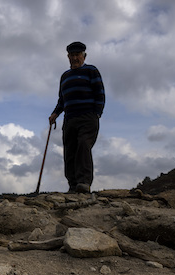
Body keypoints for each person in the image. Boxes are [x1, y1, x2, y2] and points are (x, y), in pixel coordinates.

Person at [49, 41, 105, 194]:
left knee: (83, 146)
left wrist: (97, 113)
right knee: (70, 151)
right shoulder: (65, 76)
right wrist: (55, 113)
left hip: (88, 117)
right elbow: (62, 100)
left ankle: (84, 183)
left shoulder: (91, 71)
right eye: (72, 55)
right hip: (70, 119)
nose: (74, 58)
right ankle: (73, 185)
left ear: (84, 56)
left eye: (77, 55)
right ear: (68, 57)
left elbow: (100, 93)